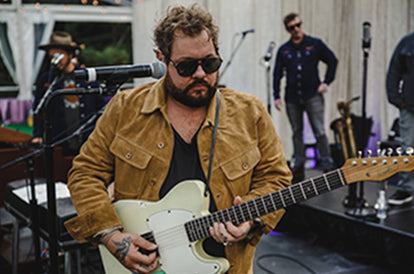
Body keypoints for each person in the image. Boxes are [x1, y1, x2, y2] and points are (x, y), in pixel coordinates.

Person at [64, 3, 291, 274]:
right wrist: (110, 235)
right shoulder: (125, 108)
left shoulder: (250, 112)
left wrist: (251, 220)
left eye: (209, 63)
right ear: (162, 58)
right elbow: (85, 174)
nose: (200, 74)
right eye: (185, 67)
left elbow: (275, 179)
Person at [273, 13, 338, 183]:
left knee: (319, 130)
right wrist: (276, 96)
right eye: (291, 27)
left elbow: (332, 60)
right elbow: (277, 74)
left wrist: (326, 82)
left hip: (312, 94)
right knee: (296, 132)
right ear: (287, 30)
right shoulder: (284, 50)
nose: (296, 30)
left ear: (301, 25)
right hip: (292, 97)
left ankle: (327, 165)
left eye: (298, 25)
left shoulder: (314, 44)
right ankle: (299, 165)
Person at [32, 31, 106, 156]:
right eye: (52, 56)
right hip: (59, 140)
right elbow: (38, 108)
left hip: (86, 139)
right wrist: (38, 134)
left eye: (59, 55)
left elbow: (100, 107)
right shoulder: (47, 79)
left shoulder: (86, 76)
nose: (56, 60)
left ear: (70, 54)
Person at [386, 31, 414, 206]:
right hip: (409, 106)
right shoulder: (407, 43)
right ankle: (406, 189)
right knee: (408, 148)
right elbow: (394, 71)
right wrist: (395, 98)